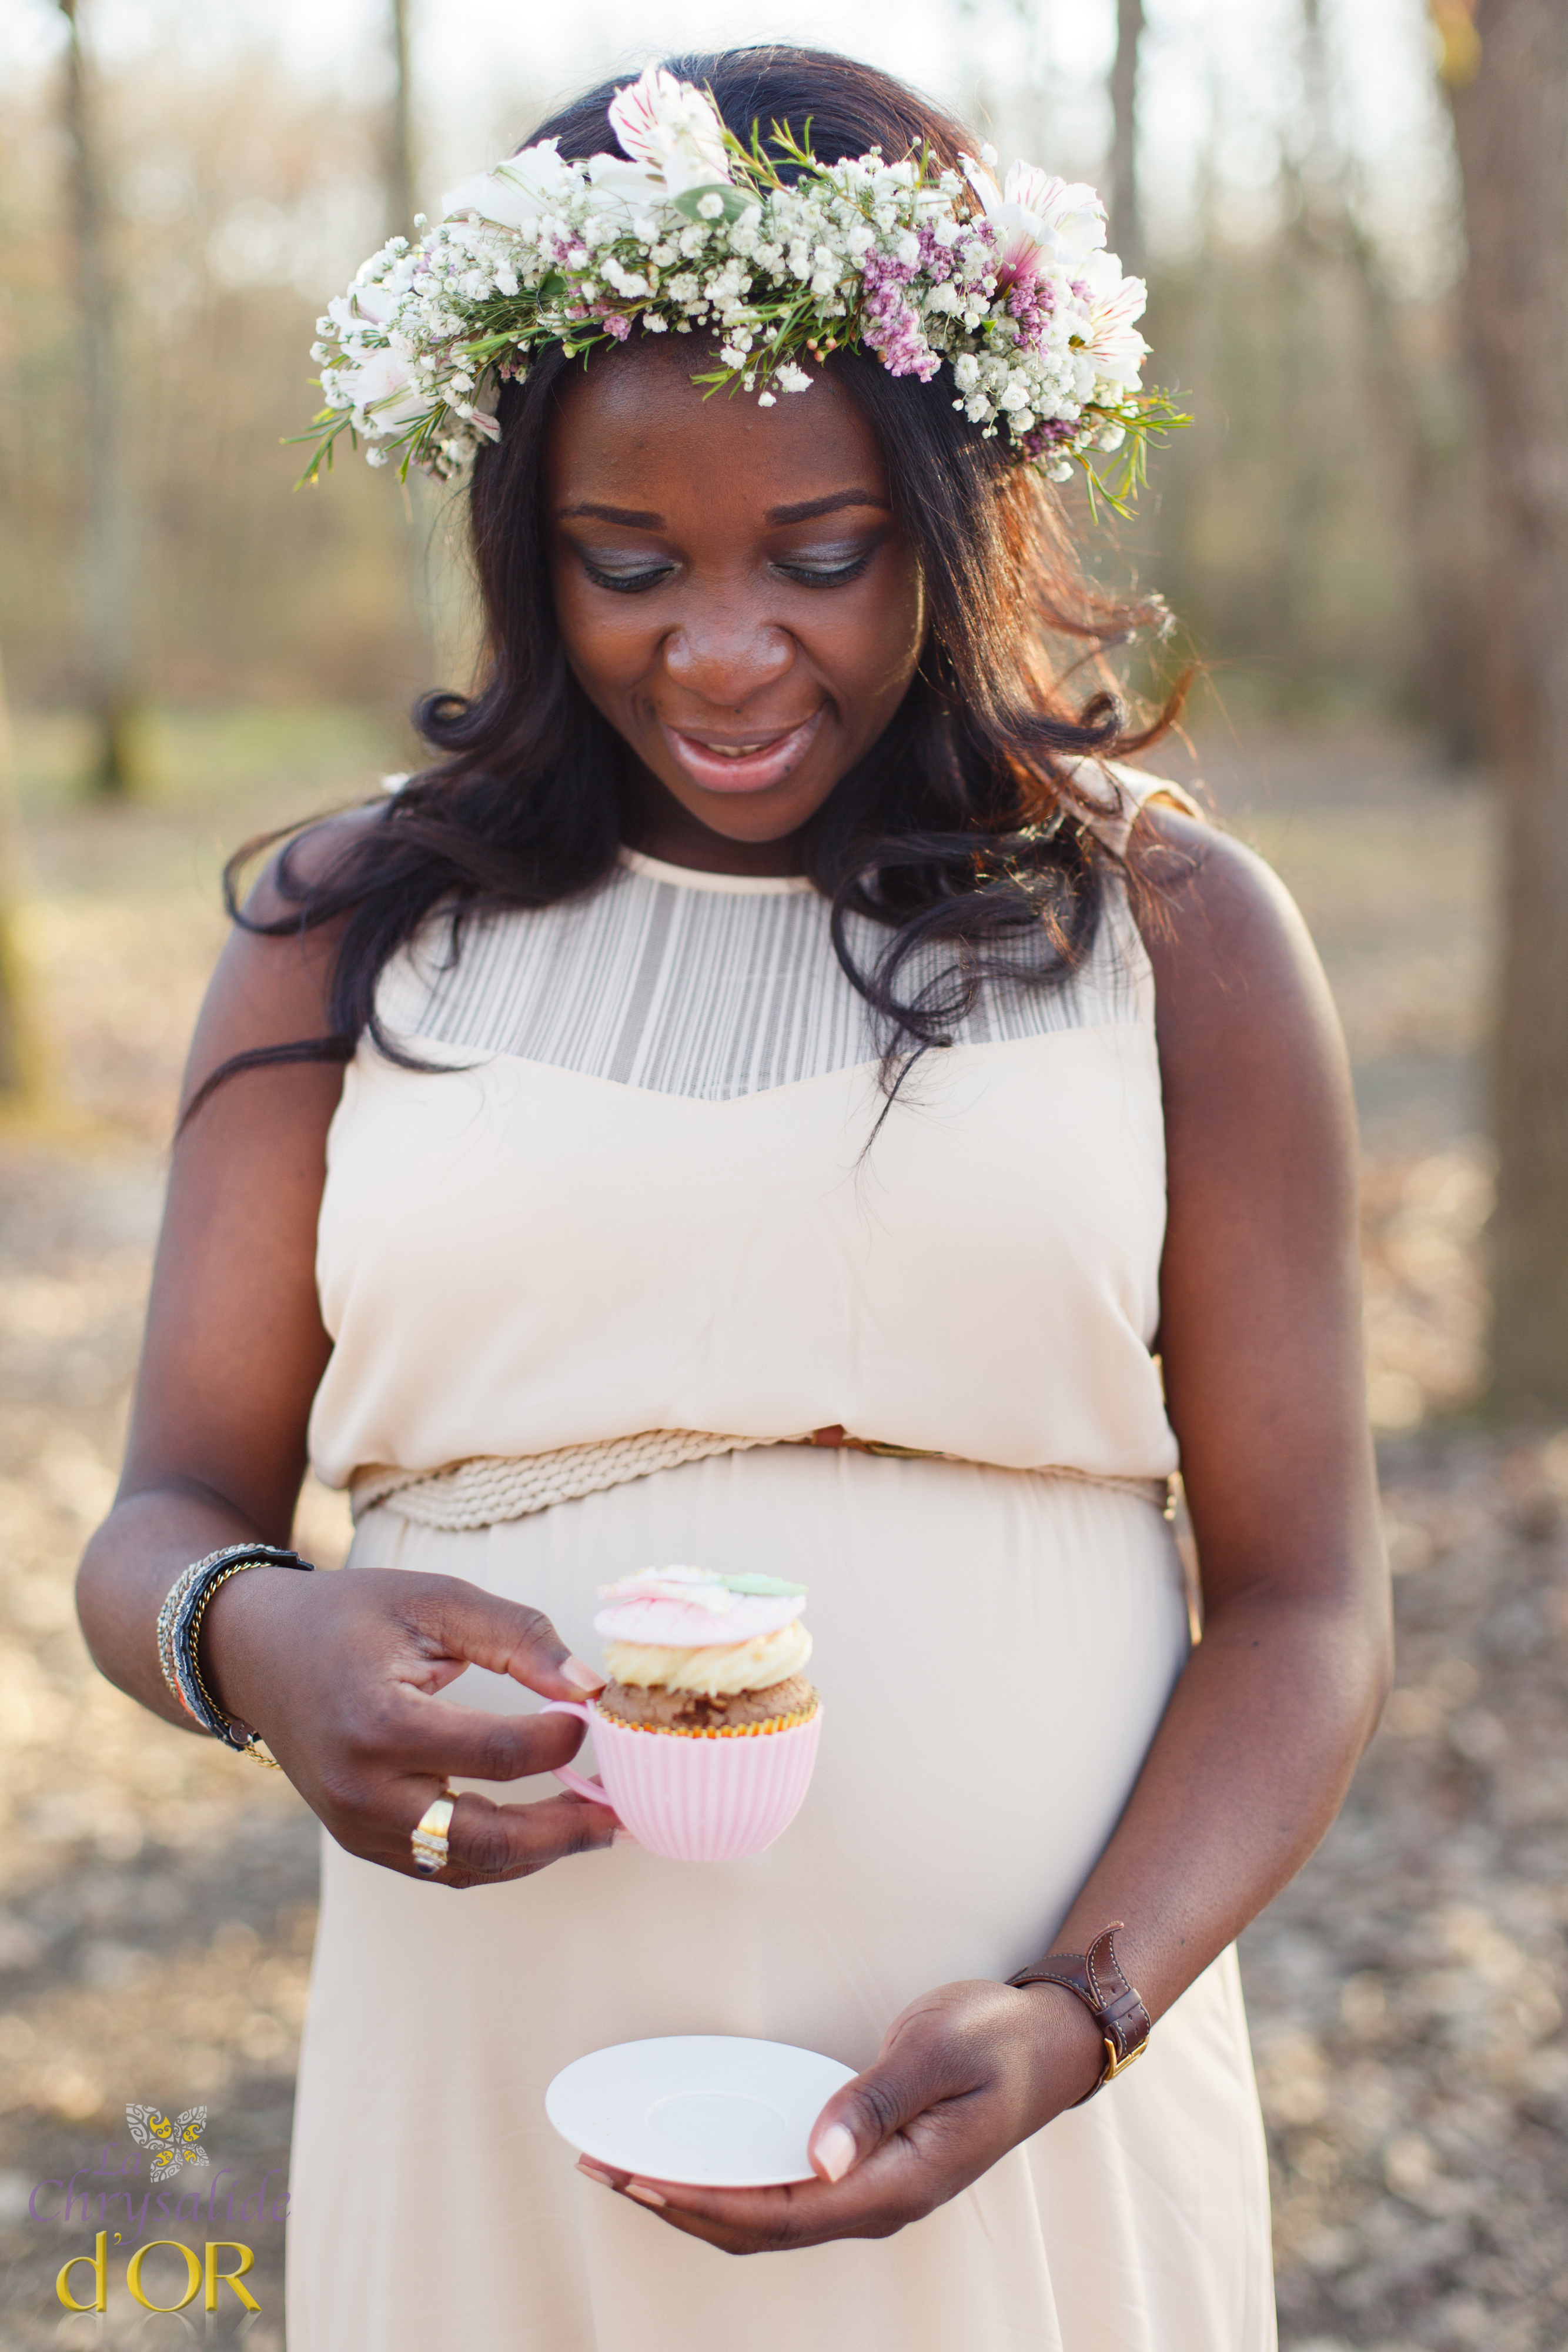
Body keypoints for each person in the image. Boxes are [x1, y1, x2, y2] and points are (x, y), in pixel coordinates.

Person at [76, 45, 1390, 2352]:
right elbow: (164, 1516)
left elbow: (1304, 1608)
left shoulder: (1176, 940)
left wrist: (1086, 2009)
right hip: (492, 2079)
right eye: (627, 561)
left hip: (1019, 2082)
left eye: (818, 554)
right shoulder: (341, 926)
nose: (719, 647)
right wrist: (261, 1647)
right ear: (521, 535)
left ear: (957, 509)